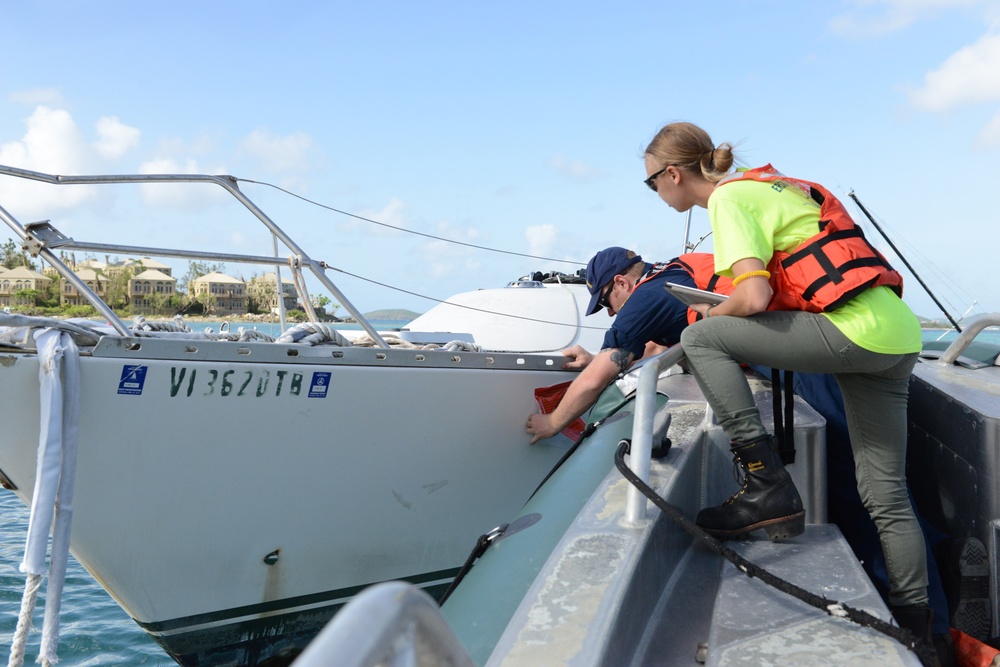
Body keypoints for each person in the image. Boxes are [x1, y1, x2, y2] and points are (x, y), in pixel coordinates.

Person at [642, 122, 932, 640]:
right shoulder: (769, 186)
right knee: (886, 495)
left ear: (673, 173)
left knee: (705, 340)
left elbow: (752, 298)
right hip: (897, 338)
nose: (655, 193)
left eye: (651, 183)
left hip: (852, 332)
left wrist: (708, 319)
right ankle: (919, 629)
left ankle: (766, 485)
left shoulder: (729, 201)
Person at [524, 248, 721, 444]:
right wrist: (595, 360)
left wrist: (552, 422)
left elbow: (594, 381)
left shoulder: (643, 299)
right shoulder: (668, 273)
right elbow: (656, 349)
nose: (610, 313)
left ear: (621, 283)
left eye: (604, 302)